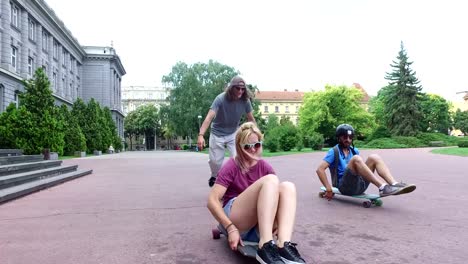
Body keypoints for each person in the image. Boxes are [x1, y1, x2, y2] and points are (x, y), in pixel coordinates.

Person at [207, 122, 306, 264]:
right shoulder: (232, 165)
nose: (253, 150)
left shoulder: (265, 167)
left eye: (257, 145)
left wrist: (280, 224)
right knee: (271, 180)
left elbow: (277, 200)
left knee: (287, 187)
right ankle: (265, 246)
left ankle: (284, 245)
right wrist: (230, 228)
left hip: (259, 227)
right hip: (239, 220)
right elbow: (212, 200)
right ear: (239, 148)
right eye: (247, 146)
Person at [316, 124, 416, 200]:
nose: (348, 140)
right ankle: (382, 187)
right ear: (338, 137)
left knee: (374, 157)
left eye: (350, 137)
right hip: (344, 187)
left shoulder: (354, 150)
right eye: (345, 137)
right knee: (356, 159)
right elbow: (320, 170)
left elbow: (360, 169)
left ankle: (394, 184)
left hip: (359, 186)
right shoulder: (334, 151)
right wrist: (328, 188)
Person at [198, 76, 256, 187]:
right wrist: (201, 135)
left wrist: (256, 134)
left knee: (238, 159)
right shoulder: (220, 98)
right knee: (215, 162)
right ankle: (215, 175)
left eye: (242, 89)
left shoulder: (245, 101)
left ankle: (235, 184)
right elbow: (209, 117)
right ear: (231, 88)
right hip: (217, 133)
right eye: (237, 88)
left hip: (233, 134)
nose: (240, 91)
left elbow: (251, 119)